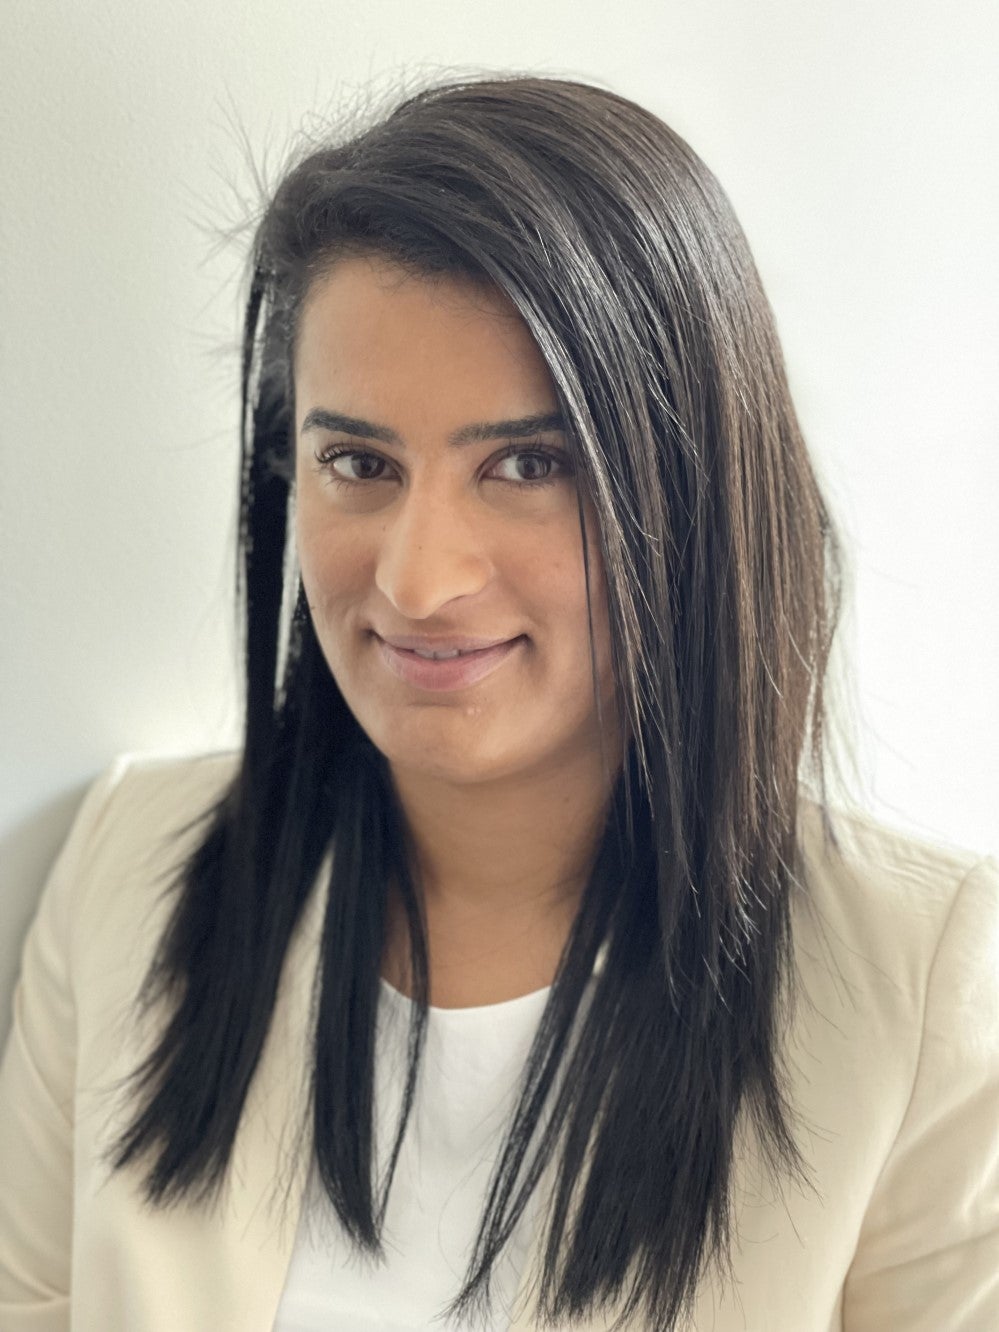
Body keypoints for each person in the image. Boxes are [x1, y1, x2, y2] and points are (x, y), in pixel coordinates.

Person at [1, 74, 996, 1332]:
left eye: (527, 464)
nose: (417, 581)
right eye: (358, 462)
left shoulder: (921, 983)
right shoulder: (130, 865)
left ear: (694, 492)